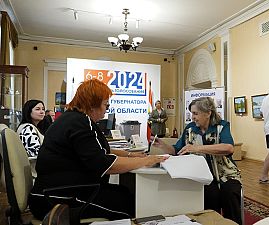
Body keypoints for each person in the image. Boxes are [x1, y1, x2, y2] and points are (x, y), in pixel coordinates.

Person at [28, 79, 168, 221]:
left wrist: (131, 155)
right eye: (105, 105)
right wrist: (146, 160)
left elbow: (99, 150)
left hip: (58, 192)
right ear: (92, 105)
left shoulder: (74, 119)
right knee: (129, 206)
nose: (107, 109)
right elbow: (105, 164)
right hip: (57, 198)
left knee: (125, 193)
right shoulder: (80, 122)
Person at [153, 97, 242, 224]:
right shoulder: (190, 129)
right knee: (210, 196)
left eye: (195, 113)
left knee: (230, 194)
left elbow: (228, 148)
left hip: (227, 174)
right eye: (191, 114)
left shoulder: (222, 126)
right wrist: (163, 145)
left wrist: (197, 148)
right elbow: (177, 150)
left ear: (208, 113)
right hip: (201, 176)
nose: (192, 117)